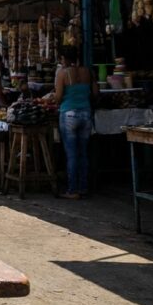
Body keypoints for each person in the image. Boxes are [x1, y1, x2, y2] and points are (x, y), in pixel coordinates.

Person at [54, 46, 97, 199]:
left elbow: (58, 97)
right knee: (83, 152)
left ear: (64, 59)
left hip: (68, 114)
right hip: (86, 113)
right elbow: (95, 93)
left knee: (71, 154)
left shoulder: (62, 74)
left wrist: (57, 99)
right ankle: (83, 187)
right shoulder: (88, 72)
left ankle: (73, 190)